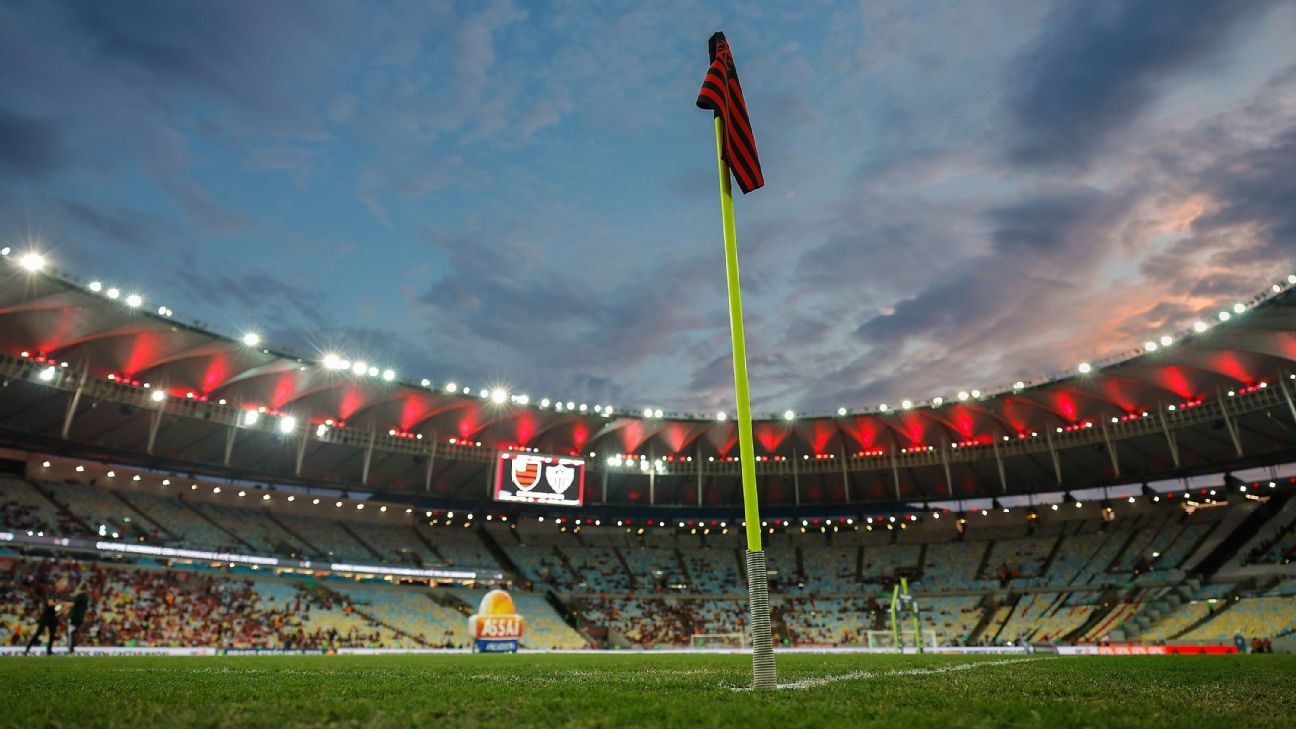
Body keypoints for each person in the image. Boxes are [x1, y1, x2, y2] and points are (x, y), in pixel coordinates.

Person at [67, 586, 90, 654]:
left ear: (80, 590)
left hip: (74, 617)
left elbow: (72, 604)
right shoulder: (86, 597)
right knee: (74, 632)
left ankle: (70, 650)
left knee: (71, 633)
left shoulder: (80, 596)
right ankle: (72, 649)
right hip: (81, 617)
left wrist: (62, 603)